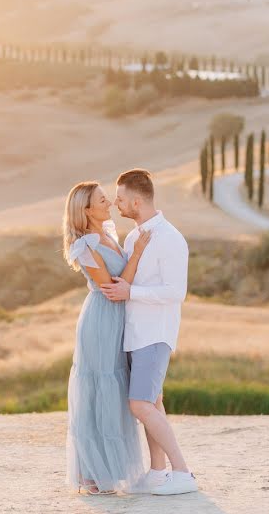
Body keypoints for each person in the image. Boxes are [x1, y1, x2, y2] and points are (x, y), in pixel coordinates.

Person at [100, 168, 198, 495]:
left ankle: (182, 472)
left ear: (137, 201)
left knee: (139, 404)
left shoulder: (170, 238)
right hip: (135, 334)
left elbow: (176, 292)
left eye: (121, 199)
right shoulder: (133, 237)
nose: (116, 205)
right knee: (152, 402)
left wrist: (131, 293)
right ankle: (157, 473)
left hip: (155, 335)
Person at [62, 180, 151, 495]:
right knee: (98, 390)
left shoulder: (109, 235)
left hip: (118, 321)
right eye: (102, 200)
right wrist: (138, 253)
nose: (110, 203)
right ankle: (92, 473)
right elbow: (112, 291)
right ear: (86, 210)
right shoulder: (85, 246)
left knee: (114, 391)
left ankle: (108, 470)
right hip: (101, 320)